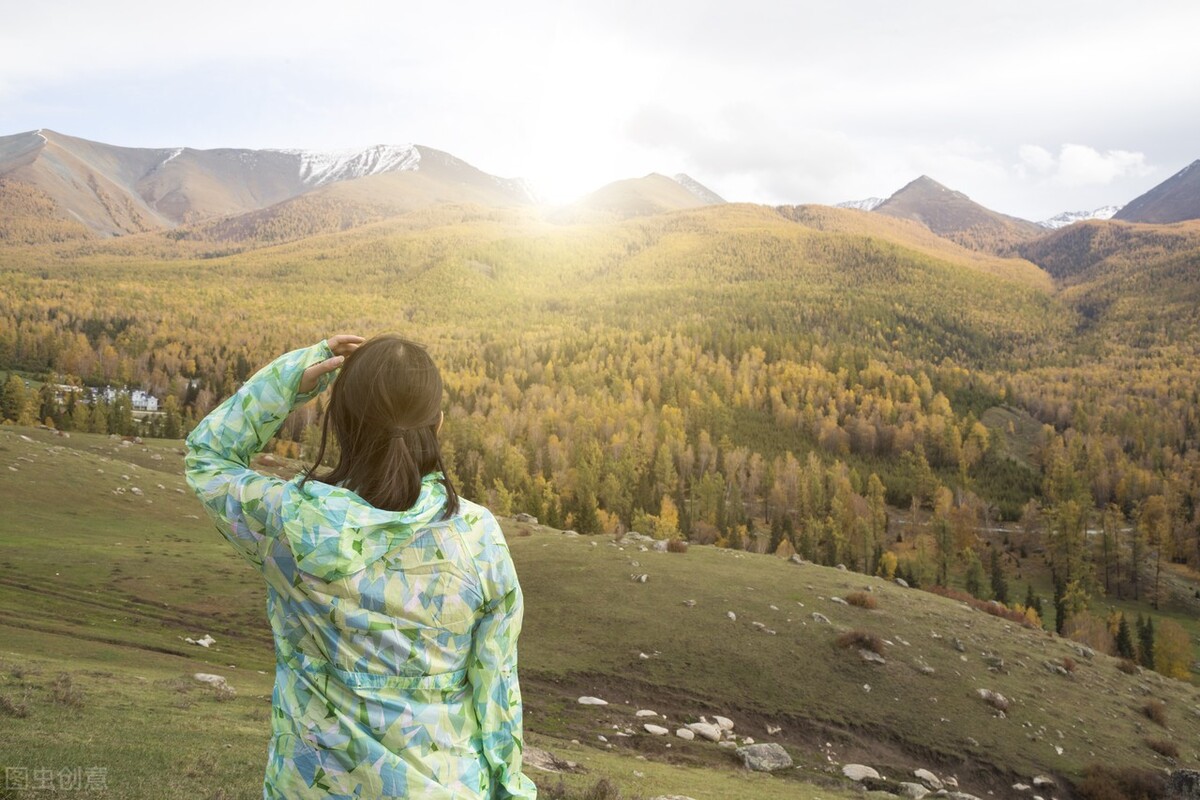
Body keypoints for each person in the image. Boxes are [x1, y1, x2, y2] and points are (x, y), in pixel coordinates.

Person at [184, 333, 537, 799]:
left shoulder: (293, 525)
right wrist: (511, 789)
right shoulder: (477, 536)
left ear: (342, 424)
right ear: (438, 424)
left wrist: (293, 378)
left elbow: (208, 457)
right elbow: (496, 691)